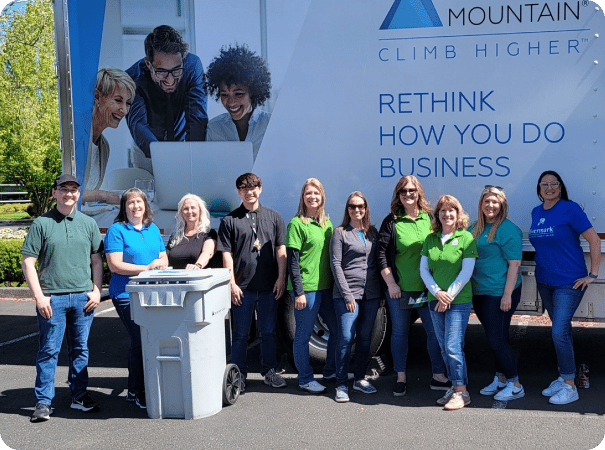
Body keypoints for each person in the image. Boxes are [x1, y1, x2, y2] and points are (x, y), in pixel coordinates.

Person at [22, 174, 103, 422]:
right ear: (54, 193)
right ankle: (44, 402)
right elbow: (28, 261)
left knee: (80, 350)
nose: (69, 194)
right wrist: (39, 297)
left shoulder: (88, 224)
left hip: (82, 298)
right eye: (64, 189)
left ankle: (79, 396)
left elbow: (97, 259)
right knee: (49, 351)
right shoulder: (41, 224)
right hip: (52, 299)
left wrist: (97, 290)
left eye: (74, 190)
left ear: (79, 194)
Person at [529, 170, 601, 405]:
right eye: (544, 184)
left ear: (560, 188)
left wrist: (593, 275)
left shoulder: (570, 209)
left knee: (558, 331)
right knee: (562, 330)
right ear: (539, 189)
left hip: (569, 282)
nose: (549, 188)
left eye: (553, 184)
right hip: (545, 280)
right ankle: (563, 376)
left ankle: (570, 385)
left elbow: (594, 240)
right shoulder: (536, 212)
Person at [377, 175, 449, 397]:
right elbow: (381, 255)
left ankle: (438, 375)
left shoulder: (430, 218)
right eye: (403, 191)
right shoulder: (392, 221)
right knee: (399, 333)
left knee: (435, 333)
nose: (408, 194)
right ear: (398, 195)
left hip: (429, 290)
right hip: (401, 290)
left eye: (412, 190)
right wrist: (391, 284)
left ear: (419, 193)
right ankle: (401, 377)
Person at [217, 173, 287, 391]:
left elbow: (280, 249)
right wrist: (232, 283)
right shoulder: (230, 220)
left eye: (254, 187)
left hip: (269, 286)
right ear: (239, 192)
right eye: (245, 189)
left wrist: (281, 278)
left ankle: (269, 372)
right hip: (242, 288)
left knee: (268, 332)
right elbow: (226, 254)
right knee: (240, 335)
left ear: (261, 189)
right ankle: (239, 376)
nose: (250, 192)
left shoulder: (274, 217)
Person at [104, 188, 168, 409]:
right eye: (130, 202)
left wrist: (159, 266)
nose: (135, 206)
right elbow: (115, 264)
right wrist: (146, 268)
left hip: (152, 293)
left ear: (145, 205)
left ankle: (133, 388)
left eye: (139, 202)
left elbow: (163, 258)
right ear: (124, 206)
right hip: (126, 294)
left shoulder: (153, 229)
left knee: (142, 339)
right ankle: (140, 391)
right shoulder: (117, 230)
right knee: (142, 338)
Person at [420, 194, 478, 411]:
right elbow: (424, 270)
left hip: (458, 301)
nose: (447, 214)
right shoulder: (430, 239)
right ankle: (454, 387)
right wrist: (437, 293)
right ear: (437, 215)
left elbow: (466, 272)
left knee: (453, 346)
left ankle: (462, 393)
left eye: (451, 210)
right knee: (444, 347)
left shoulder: (466, 238)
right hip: (434, 300)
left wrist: (448, 296)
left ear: (458, 213)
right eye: (442, 210)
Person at [126, 25, 207, 170]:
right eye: (161, 72)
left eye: (176, 70)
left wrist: (193, 156)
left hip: (184, 146)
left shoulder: (193, 66)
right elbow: (138, 125)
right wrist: (165, 159)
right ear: (148, 63)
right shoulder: (132, 78)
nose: (170, 81)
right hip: (146, 150)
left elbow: (197, 117)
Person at [470, 186, 524, 401]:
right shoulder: (474, 228)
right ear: (481, 204)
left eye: (495, 202)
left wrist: (507, 296)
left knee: (497, 340)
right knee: (496, 338)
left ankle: (516, 383)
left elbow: (515, 264)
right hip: (480, 291)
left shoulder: (508, 229)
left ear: (502, 205)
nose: (490, 206)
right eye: (486, 201)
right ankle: (500, 378)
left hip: (500, 292)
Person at [331, 191, 382, 403]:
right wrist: (347, 295)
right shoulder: (340, 232)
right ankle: (341, 383)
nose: (357, 210)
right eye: (352, 206)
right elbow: (335, 264)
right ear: (347, 209)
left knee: (364, 338)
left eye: (360, 206)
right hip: (347, 295)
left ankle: (359, 378)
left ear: (366, 208)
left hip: (371, 294)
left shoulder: (372, 232)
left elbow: (378, 262)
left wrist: (381, 293)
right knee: (345, 338)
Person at [286, 178, 336, 394]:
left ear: (322, 196)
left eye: (316, 193)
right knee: (303, 336)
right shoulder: (297, 224)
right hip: (307, 289)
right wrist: (299, 292)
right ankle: (305, 378)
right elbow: (293, 261)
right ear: (303, 198)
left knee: (337, 330)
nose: (312, 197)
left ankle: (331, 371)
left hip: (326, 287)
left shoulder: (327, 224)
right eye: (308, 193)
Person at [204, 44, 271, 162]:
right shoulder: (214, 129)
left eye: (238, 94)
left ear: (253, 92)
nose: (231, 102)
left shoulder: (270, 125)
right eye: (224, 95)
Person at [82, 68, 136, 206]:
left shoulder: (104, 146)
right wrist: (105, 195)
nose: (124, 110)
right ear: (97, 97)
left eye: (128, 103)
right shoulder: (77, 136)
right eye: (118, 100)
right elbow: (64, 192)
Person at [166, 194, 218, 269]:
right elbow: (165, 257)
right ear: (181, 212)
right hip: (175, 278)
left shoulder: (209, 233)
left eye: (193, 208)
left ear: (200, 210)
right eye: (186, 209)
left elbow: (207, 253)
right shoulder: (175, 235)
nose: (189, 211)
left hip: (197, 278)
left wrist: (198, 265)